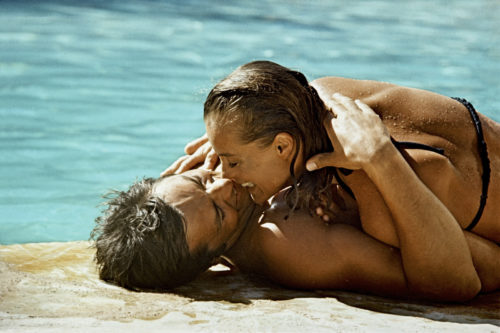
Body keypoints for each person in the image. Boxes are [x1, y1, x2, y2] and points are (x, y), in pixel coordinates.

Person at [164, 60, 500, 249]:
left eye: (231, 162)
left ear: (283, 146)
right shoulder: (323, 93)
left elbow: (473, 274)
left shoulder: (377, 187)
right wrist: (233, 142)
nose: (223, 176)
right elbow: (269, 92)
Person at [92, 167, 500, 301]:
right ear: (216, 257)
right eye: (219, 211)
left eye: (201, 179)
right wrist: (373, 197)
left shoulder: (211, 190)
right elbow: (447, 276)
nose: (224, 184)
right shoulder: (290, 245)